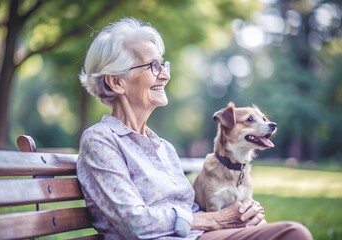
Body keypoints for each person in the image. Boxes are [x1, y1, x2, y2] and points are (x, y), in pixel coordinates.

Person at [76, 17, 313, 240]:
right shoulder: (100, 140)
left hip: (198, 234)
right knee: (293, 234)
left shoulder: (163, 147)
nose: (166, 75)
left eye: (163, 64)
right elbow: (134, 222)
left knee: (290, 233)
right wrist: (215, 219)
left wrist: (243, 214)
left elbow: (193, 208)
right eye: (154, 66)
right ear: (117, 82)